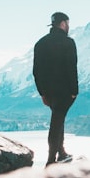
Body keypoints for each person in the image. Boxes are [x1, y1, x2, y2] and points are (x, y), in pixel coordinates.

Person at [33, 11, 79, 165]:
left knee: (58, 119)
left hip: (49, 92)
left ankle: (61, 153)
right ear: (63, 23)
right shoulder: (68, 42)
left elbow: (36, 71)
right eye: (68, 24)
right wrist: (74, 91)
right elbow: (71, 68)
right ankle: (51, 160)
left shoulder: (40, 43)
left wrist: (42, 93)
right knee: (57, 123)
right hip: (65, 91)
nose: (68, 27)